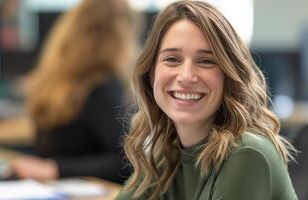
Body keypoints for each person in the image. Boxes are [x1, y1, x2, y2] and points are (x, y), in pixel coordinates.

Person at [116, 1, 298, 199]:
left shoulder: (247, 154)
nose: (186, 76)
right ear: (151, 74)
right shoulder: (167, 153)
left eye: (206, 61)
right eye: (172, 59)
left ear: (229, 76)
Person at [10, 0, 134, 184]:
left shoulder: (53, 82)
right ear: (119, 34)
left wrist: (54, 168)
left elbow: (125, 162)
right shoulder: (101, 86)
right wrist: (54, 168)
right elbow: (125, 162)